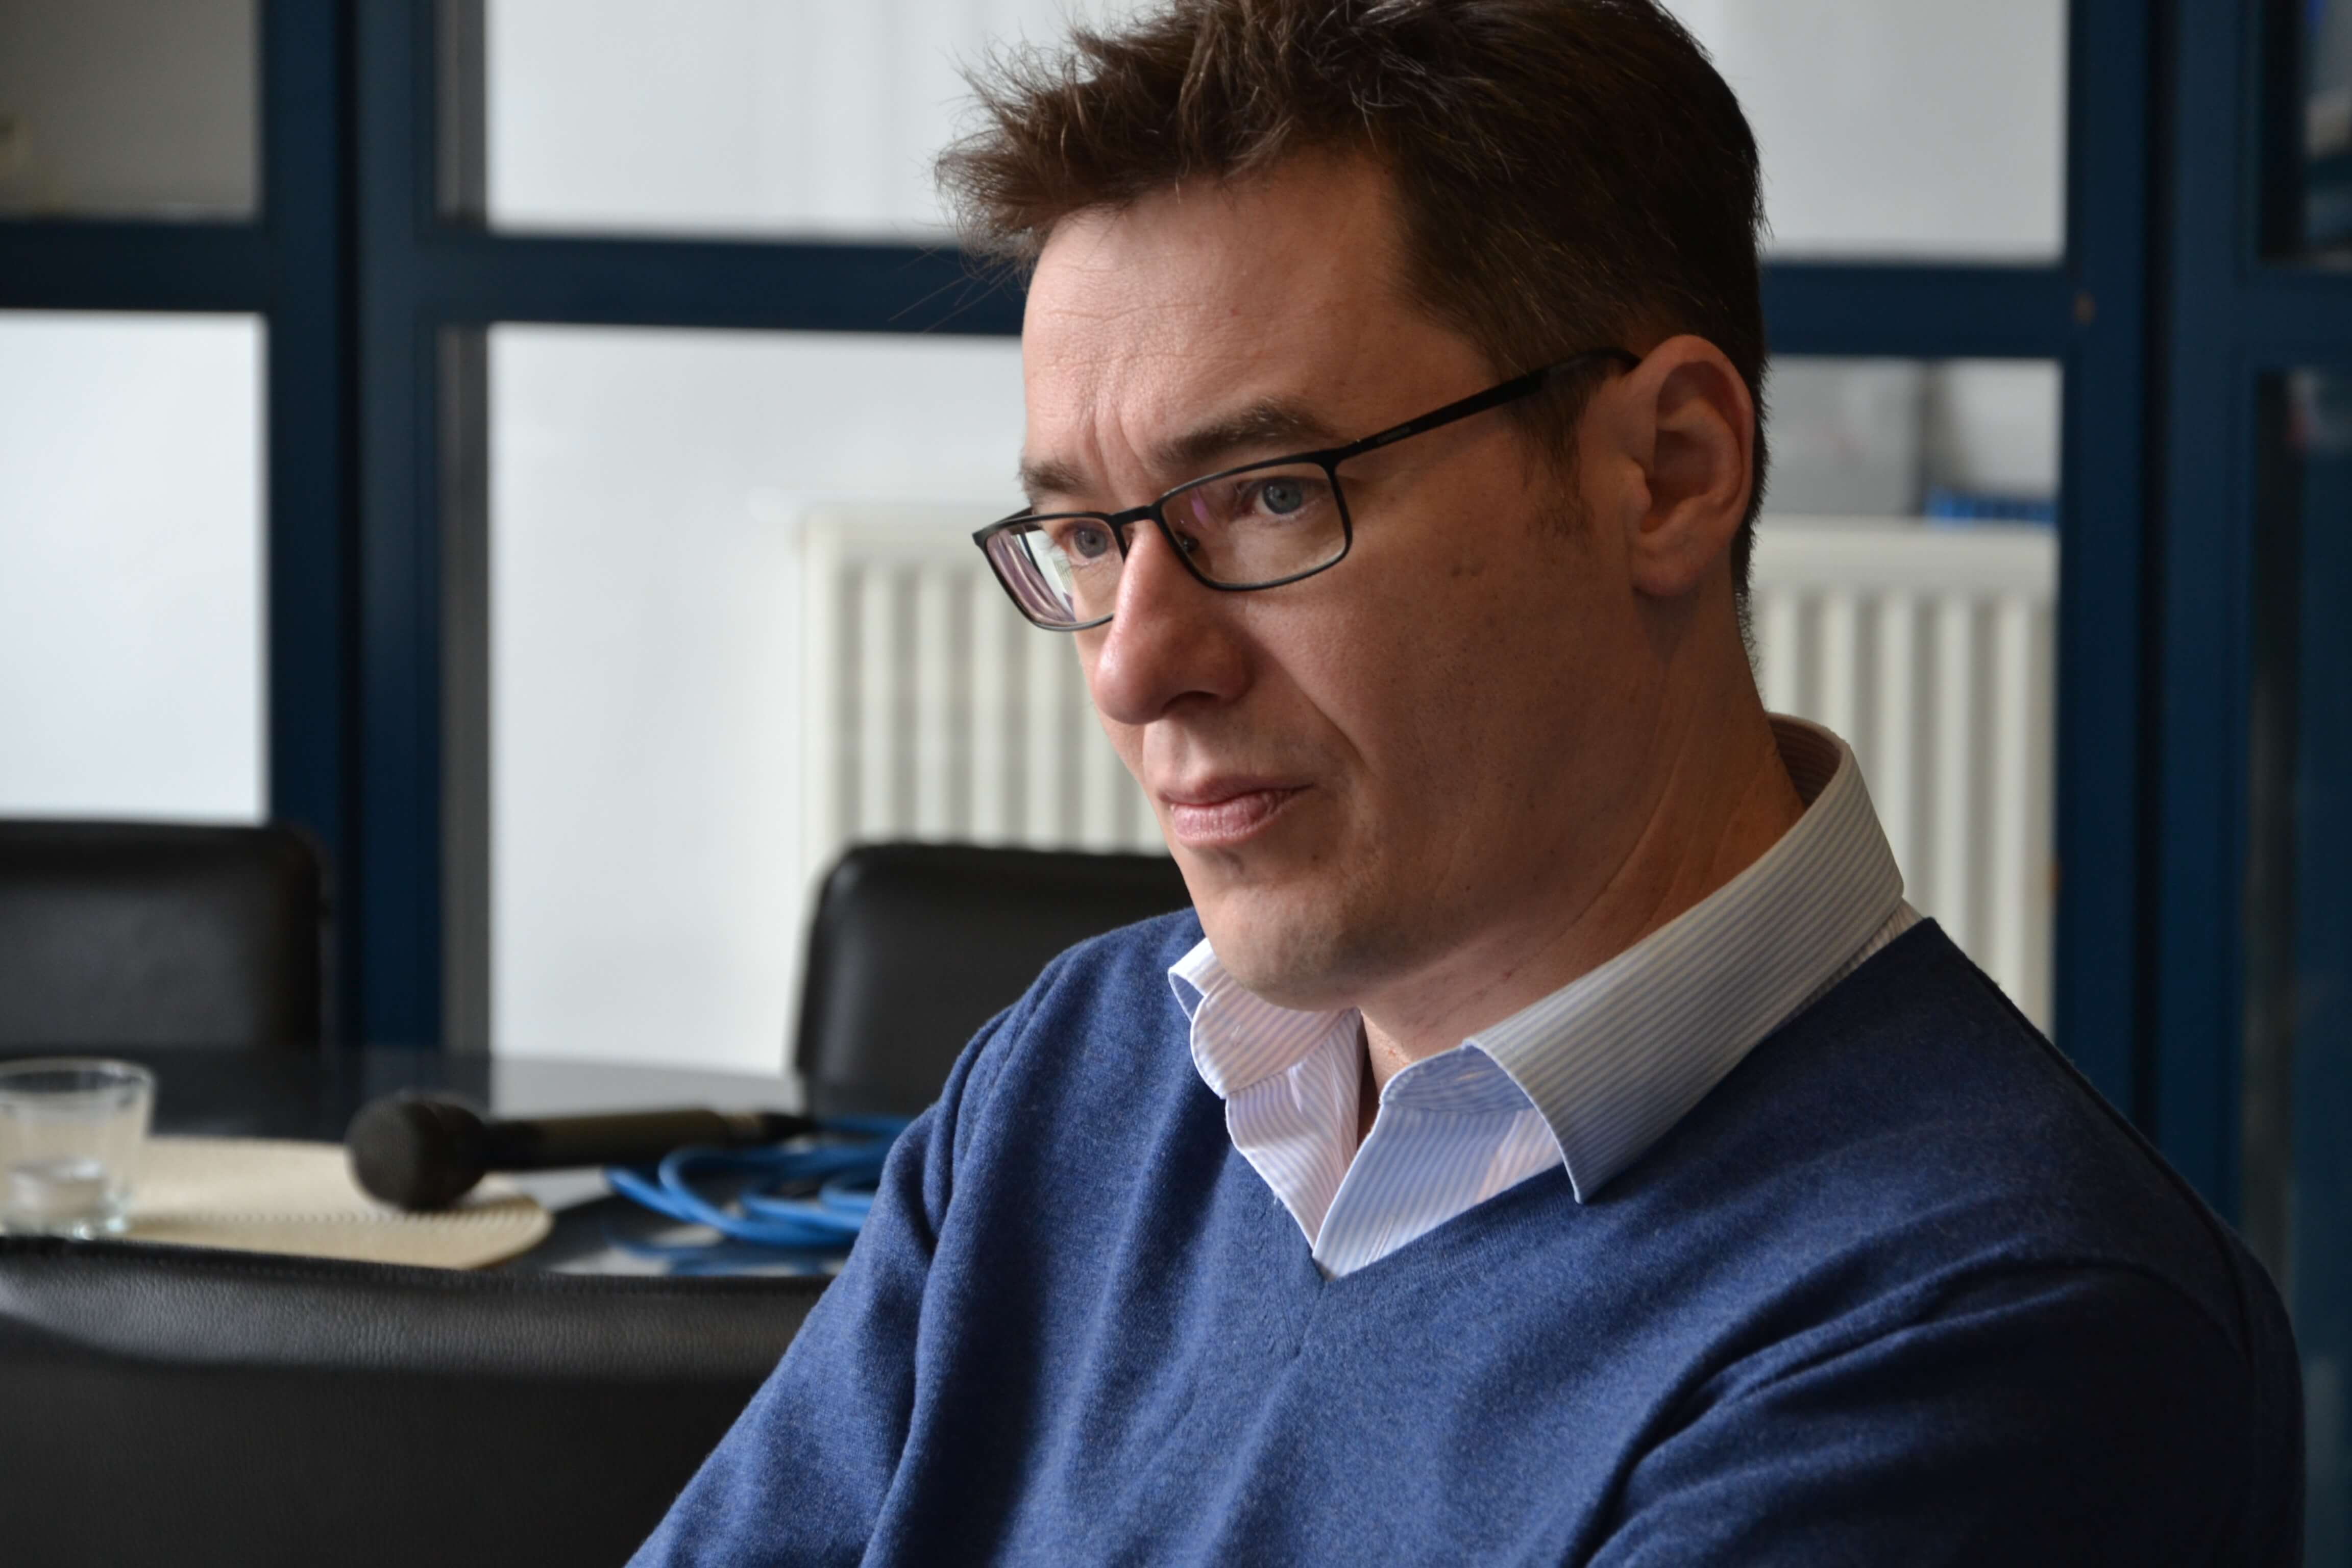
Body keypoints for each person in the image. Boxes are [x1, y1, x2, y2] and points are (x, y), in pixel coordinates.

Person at [635, 2, 2300, 1561]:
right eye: (1086, 536)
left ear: (1670, 472)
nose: (1135, 669)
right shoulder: (1073, 1081)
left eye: (1270, 497)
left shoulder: (1998, 1325)